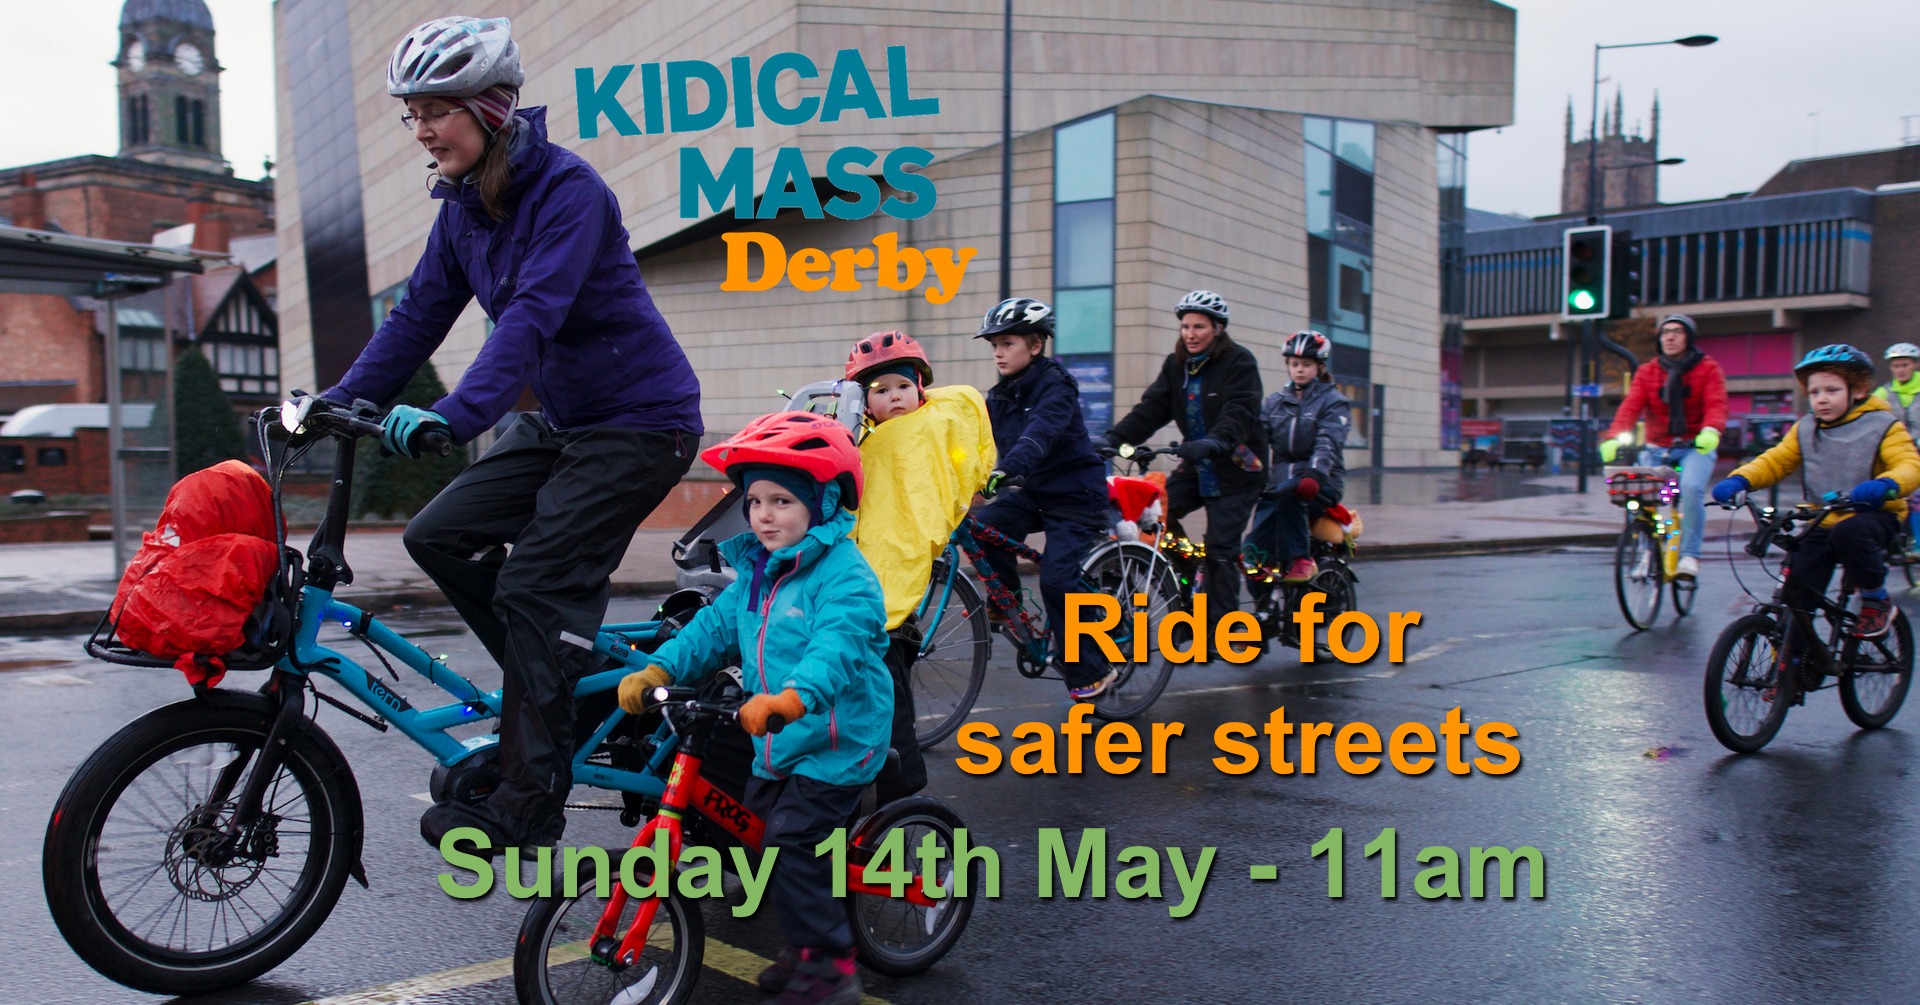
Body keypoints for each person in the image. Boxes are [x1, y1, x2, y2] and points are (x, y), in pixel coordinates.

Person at [320, 16, 703, 849]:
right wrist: (335, 401)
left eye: (436, 110)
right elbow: (418, 315)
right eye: (411, 114)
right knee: (439, 535)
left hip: (641, 422)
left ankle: (530, 795)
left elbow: (530, 317)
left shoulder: (570, 192)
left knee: (534, 584)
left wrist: (456, 417)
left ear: (491, 109)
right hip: (563, 421)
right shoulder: (461, 209)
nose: (421, 130)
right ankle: (566, 681)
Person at [616, 411, 890, 1005]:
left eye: (783, 501)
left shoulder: (847, 577)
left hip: (836, 740)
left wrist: (792, 699)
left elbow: (835, 651)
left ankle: (831, 967)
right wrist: (660, 668)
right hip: (779, 735)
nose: (764, 515)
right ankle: (803, 939)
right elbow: (712, 628)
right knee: (762, 833)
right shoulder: (757, 575)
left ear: (823, 505)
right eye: (755, 501)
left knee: (793, 840)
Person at [842, 330, 996, 802]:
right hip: (865, 577)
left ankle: (899, 801)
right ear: (864, 401)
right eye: (881, 391)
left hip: (889, 582)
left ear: (921, 389)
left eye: (903, 387)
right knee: (869, 688)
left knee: (885, 689)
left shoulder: (932, 425)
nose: (895, 398)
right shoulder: (863, 439)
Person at [1712, 345, 1920, 638]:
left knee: (1849, 533)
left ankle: (1876, 599)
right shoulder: (1806, 427)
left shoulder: (1884, 425)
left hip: (1874, 515)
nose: (1822, 399)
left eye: (1832, 390)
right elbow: (1777, 460)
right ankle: (1794, 666)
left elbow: (1909, 465)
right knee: (1798, 592)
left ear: (1858, 391)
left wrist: (1887, 485)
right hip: (1822, 519)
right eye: (1815, 392)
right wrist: (1741, 480)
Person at [975, 298, 1117, 699]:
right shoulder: (1000, 394)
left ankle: (1090, 669)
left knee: (1056, 580)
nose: (999, 353)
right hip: (1036, 492)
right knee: (983, 526)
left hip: (1077, 496)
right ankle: (1007, 604)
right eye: (994, 346)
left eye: (1007, 343)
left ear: (1035, 346)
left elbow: (1040, 432)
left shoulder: (1056, 385)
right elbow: (972, 438)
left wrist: (1010, 467)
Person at [1102, 290, 1267, 628]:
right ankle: (1189, 571)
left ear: (1218, 328)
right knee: (1156, 514)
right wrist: (1113, 439)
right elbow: (1152, 409)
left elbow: (1239, 412)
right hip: (1197, 465)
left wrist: (1213, 442)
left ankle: (1223, 627)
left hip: (1237, 469)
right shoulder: (1177, 365)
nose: (1190, 334)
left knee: (1221, 549)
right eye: (1185, 327)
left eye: (1199, 327)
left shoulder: (1240, 362)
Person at [1598, 313, 1728, 580]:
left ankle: (1690, 555)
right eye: (1665, 332)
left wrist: (1711, 431)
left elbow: (1716, 404)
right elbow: (1630, 408)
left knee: (1691, 489)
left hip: (1694, 446)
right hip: (1657, 447)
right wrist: (1613, 437)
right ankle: (1647, 546)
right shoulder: (1648, 372)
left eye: (1677, 332)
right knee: (1635, 491)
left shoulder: (1708, 368)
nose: (1670, 337)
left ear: (1689, 338)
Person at [1245, 331, 1351, 585]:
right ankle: (1264, 604)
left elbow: (1328, 443)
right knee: (1264, 514)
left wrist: (1314, 474)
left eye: (1306, 365)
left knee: (1289, 497)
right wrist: (1241, 464)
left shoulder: (1333, 402)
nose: (1299, 370)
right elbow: (1255, 439)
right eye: (1294, 365)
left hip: (1322, 481)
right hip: (1281, 481)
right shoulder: (1274, 403)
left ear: (1319, 367)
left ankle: (1300, 559)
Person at [1872, 342, 1920, 549]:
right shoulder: (1883, 393)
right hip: (1896, 452)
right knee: (1894, 496)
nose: (1900, 370)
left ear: (1915, 365)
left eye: (1905, 365)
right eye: (1896, 366)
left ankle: (1918, 544)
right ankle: (1893, 543)